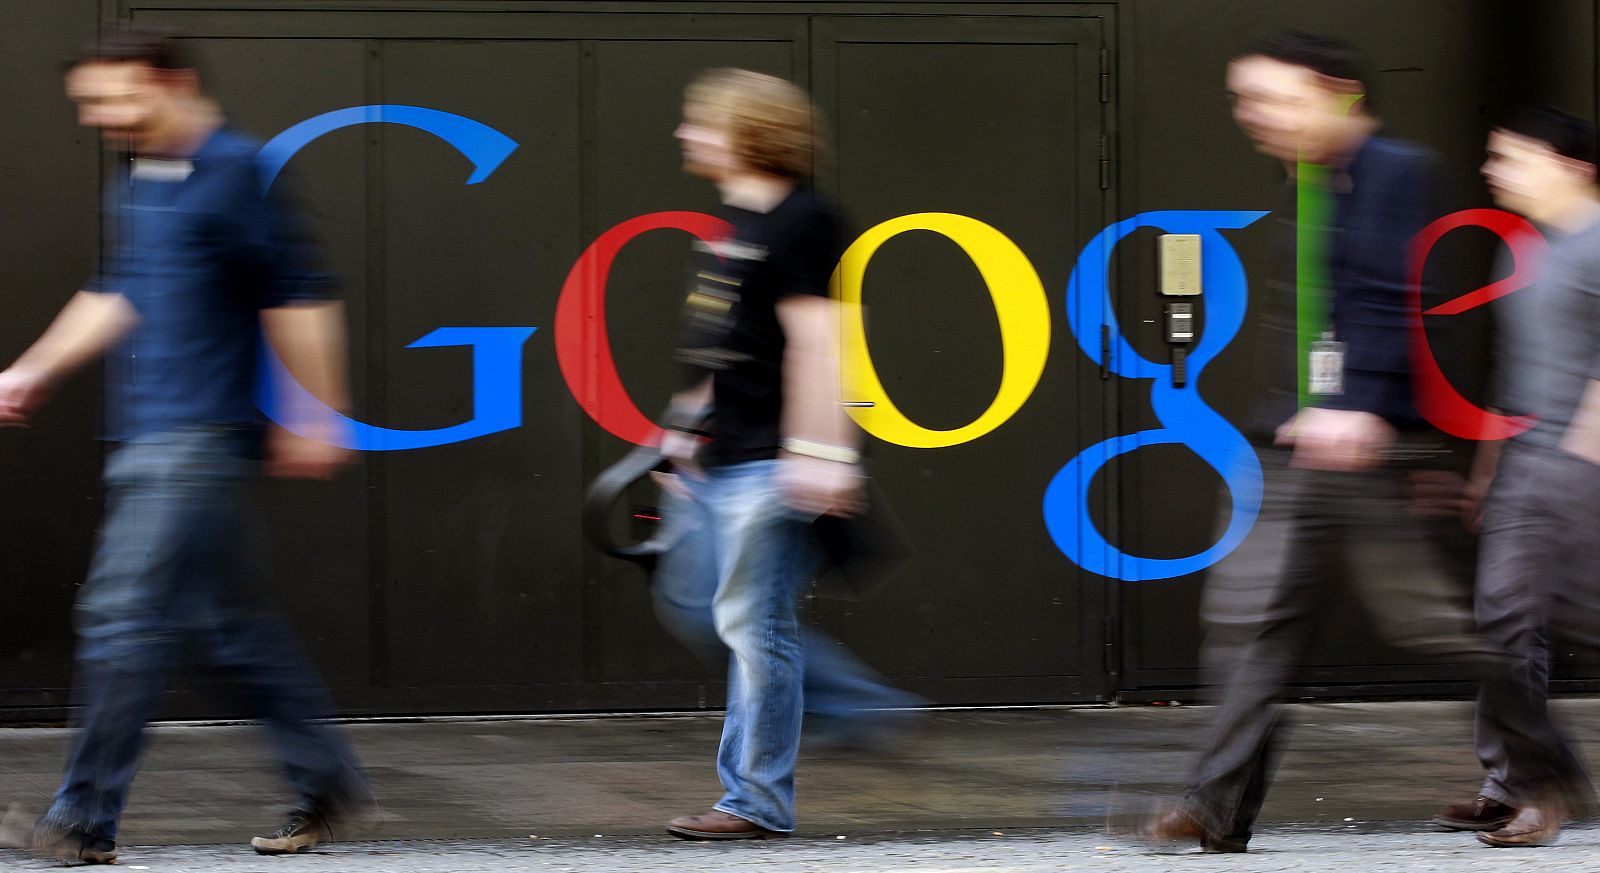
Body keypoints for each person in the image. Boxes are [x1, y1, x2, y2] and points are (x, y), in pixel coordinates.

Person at [0, 25, 370, 864]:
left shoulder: (238, 170)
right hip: (145, 433)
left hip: (196, 435)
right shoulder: (144, 180)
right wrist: (30, 370)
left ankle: (82, 821)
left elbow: (300, 296)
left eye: (115, 97)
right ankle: (327, 779)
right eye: (89, 103)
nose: (100, 116)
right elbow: (119, 291)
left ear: (169, 81)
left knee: (121, 611)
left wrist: (318, 410)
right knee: (228, 625)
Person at [1140, 28, 1500, 852]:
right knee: (1248, 622)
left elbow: (1394, 296)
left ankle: (1541, 768)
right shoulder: (1307, 175)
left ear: (1337, 95)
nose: (1252, 115)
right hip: (1293, 444)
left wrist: (1363, 405)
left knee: (1427, 626)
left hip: (1368, 445)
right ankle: (1215, 806)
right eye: (1244, 98)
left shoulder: (1398, 172)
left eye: (1272, 97)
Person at [652, 68, 911, 840]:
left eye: (700, 122)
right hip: (727, 456)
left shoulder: (803, 220)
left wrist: (821, 451)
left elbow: (816, 342)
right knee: (697, 604)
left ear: (749, 134)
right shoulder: (738, 227)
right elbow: (732, 347)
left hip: (773, 460)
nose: (684, 133)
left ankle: (755, 801)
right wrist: (679, 429)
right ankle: (861, 704)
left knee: (751, 622)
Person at [1431, 106, 1600, 848]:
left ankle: (1544, 786)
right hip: (1528, 462)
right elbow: (1513, 373)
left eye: (1513, 157)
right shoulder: (1522, 249)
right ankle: (1516, 784)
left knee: (1538, 623)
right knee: (1505, 627)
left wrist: (1580, 456)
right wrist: (1487, 470)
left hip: (1579, 465)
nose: (1493, 169)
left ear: (1573, 165)